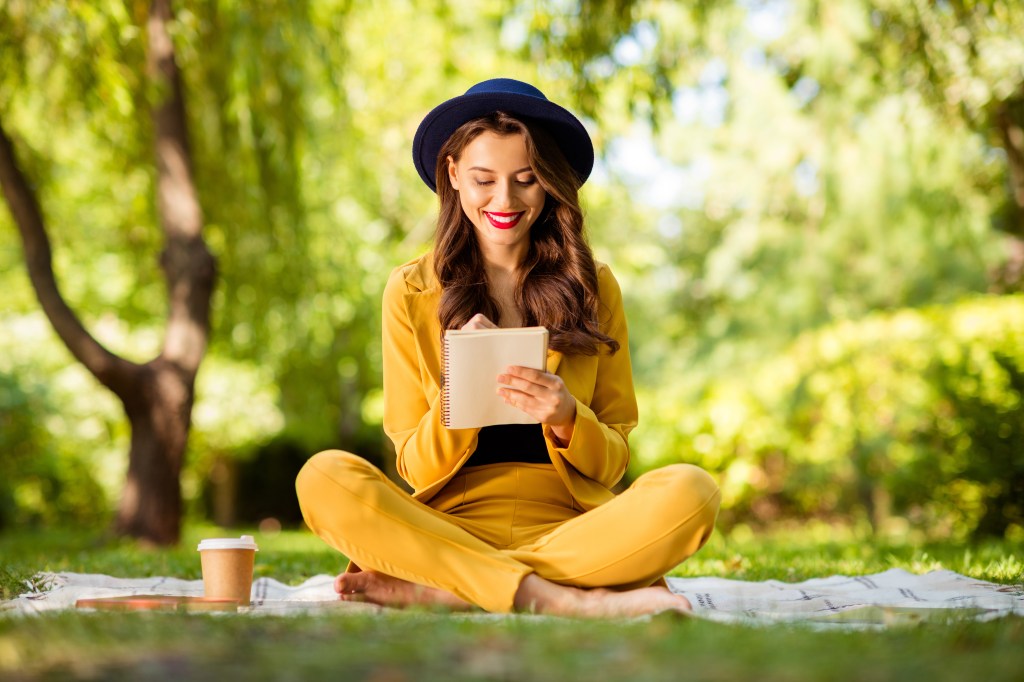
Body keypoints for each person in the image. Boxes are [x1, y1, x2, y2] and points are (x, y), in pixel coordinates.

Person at [295, 78, 720, 618]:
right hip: (449, 522)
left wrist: (568, 416)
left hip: (569, 524)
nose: (505, 200)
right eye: (483, 180)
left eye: (526, 179)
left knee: (693, 490)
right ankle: (557, 596)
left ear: (549, 184)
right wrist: (460, 390)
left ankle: (450, 587)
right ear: (453, 176)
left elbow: (613, 463)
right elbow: (416, 470)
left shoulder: (595, 285)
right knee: (324, 477)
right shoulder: (410, 291)